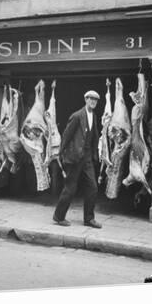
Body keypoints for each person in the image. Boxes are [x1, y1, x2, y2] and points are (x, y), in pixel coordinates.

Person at [52, 90, 102, 228]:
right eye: (90, 99)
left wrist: (95, 155)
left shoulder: (94, 116)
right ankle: (59, 216)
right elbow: (66, 136)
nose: (93, 102)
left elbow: (94, 136)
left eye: (95, 100)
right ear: (85, 100)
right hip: (74, 157)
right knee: (70, 188)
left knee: (92, 187)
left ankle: (89, 219)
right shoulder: (77, 116)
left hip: (87, 157)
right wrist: (61, 154)